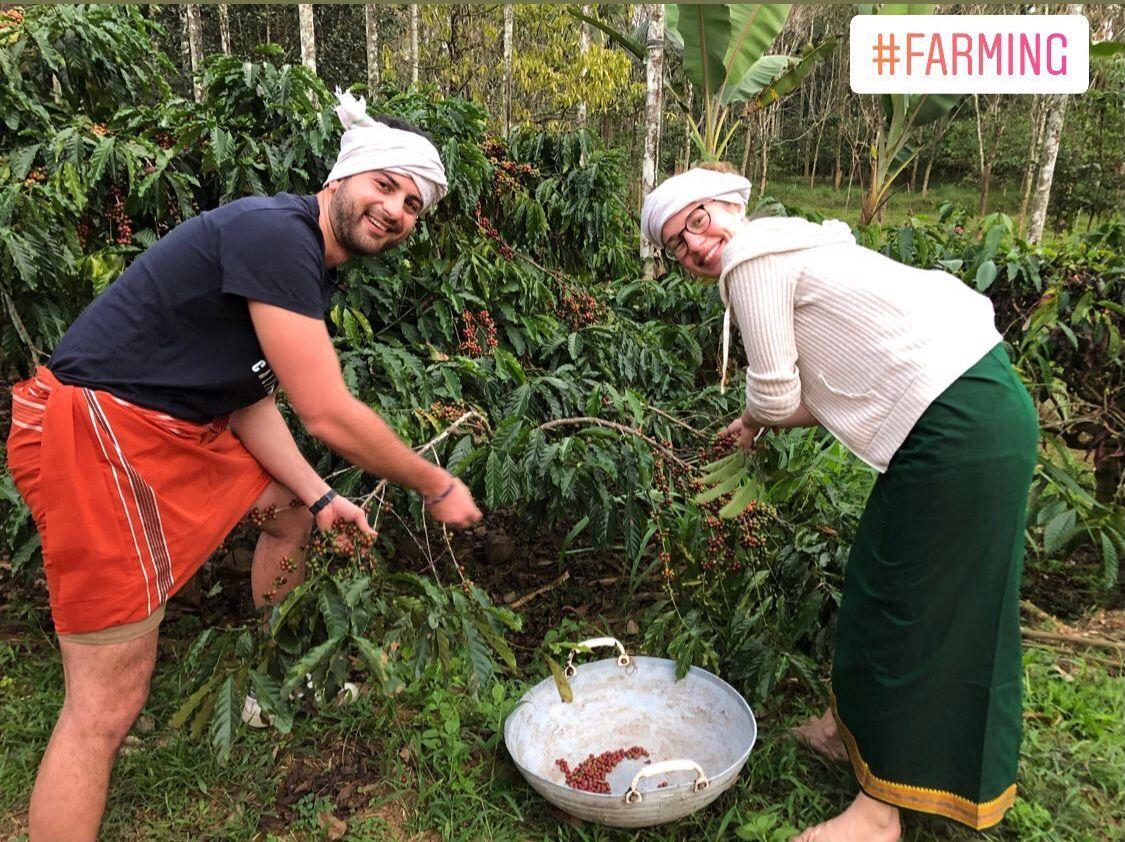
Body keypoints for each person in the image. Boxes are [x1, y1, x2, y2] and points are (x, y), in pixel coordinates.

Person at [6, 89, 483, 841]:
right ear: (341, 179)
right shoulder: (275, 234)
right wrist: (435, 482)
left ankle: (276, 674)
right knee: (105, 704)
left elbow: (244, 397)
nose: (395, 210)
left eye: (413, 204)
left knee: (289, 511)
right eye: (384, 186)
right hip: (101, 435)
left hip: (175, 430)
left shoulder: (305, 261)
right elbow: (325, 411)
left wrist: (322, 496)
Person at [641, 163, 1037, 841]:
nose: (696, 247)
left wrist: (755, 415)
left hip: (957, 426)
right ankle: (846, 731)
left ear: (730, 207)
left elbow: (773, 391)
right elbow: (819, 387)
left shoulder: (750, 257)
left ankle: (879, 814)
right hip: (966, 413)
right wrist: (755, 425)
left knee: (914, 613)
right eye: (676, 246)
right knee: (878, 587)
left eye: (697, 221)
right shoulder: (800, 242)